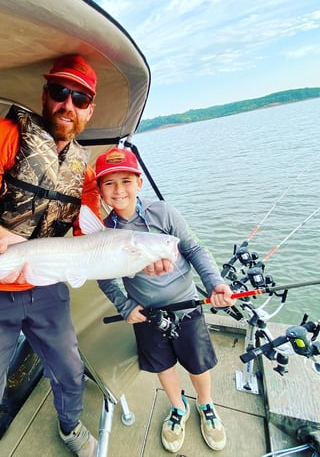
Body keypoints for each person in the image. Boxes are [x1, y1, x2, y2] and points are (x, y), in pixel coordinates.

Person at [0, 54, 101, 457]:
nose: (68, 105)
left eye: (80, 98)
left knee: (70, 372)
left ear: (90, 110)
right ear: (45, 95)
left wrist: (142, 253)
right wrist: (2, 241)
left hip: (46, 288)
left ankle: (70, 428)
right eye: (60, 92)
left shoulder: (84, 172)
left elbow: (91, 234)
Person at [94, 147, 234, 453]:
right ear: (100, 191)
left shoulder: (164, 212)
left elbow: (195, 250)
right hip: (147, 315)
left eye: (126, 181)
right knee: (163, 365)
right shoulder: (104, 232)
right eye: (109, 183)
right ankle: (178, 407)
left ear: (139, 182)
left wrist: (215, 283)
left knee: (197, 364)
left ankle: (206, 405)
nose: (119, 190)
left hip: (186, 306)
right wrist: (125, 306)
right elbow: (104, 277)